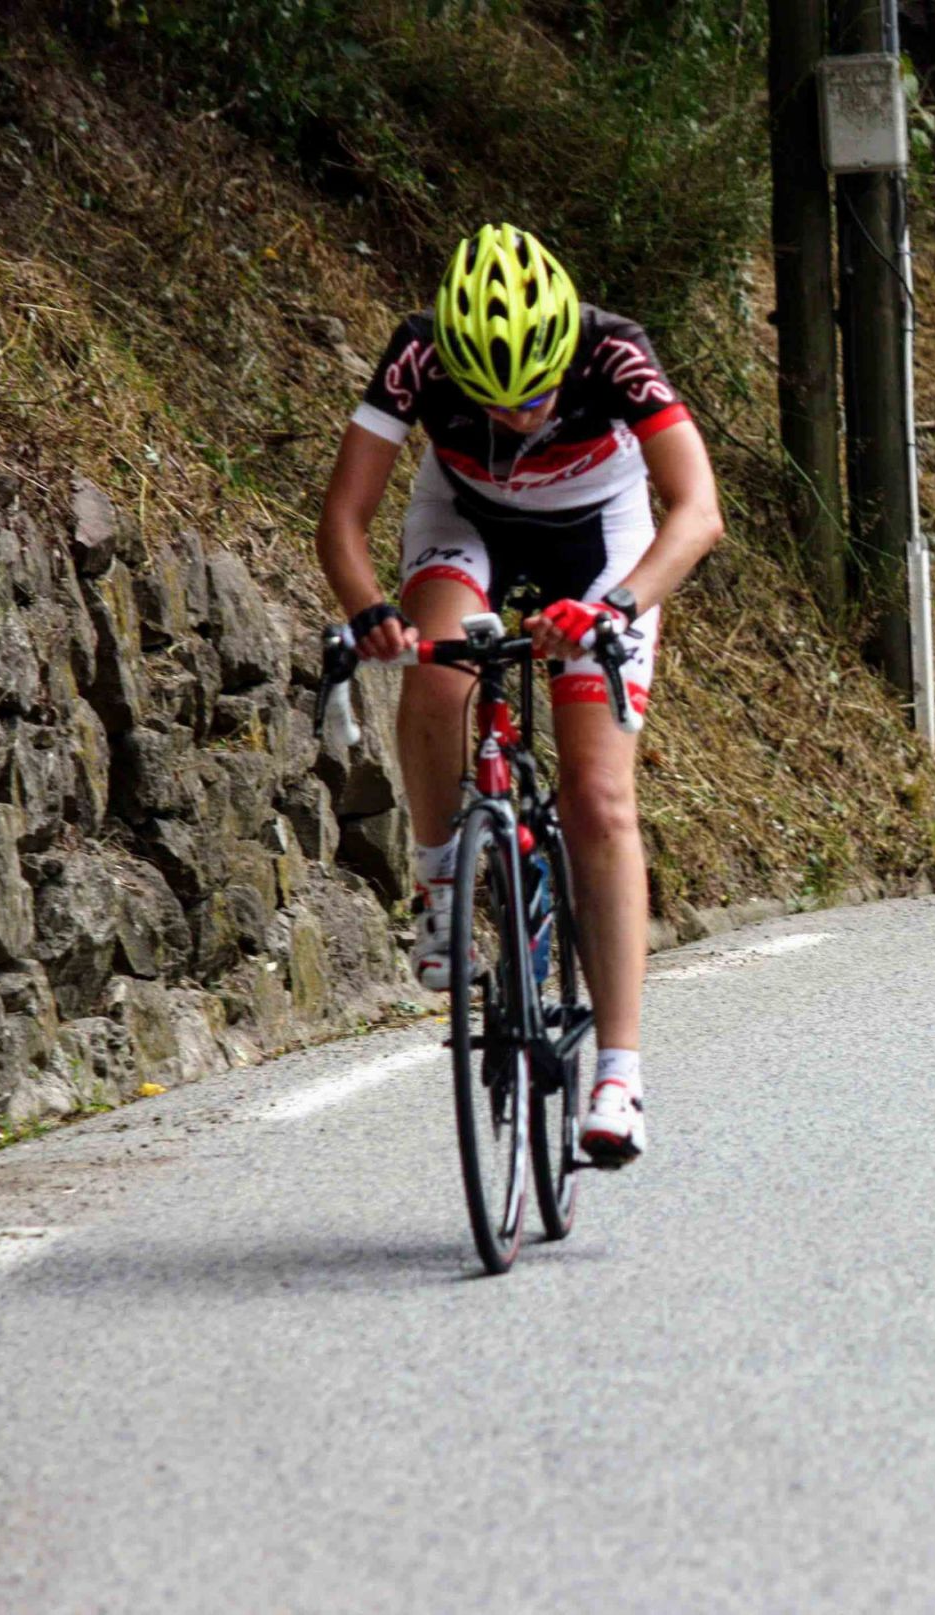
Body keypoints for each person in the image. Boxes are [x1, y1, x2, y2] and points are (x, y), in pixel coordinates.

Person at [314, 223, 722, 1164]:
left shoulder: (614, 351)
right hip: (467, 522)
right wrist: (371, 610)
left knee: (599, 797)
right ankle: (441, 884)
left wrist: (615, 607)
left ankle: (619, 1074)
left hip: (601, 539)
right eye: (491, 401)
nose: (516, 418)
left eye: (534, 396)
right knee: (436, 672)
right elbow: (343, 516)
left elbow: (697, 511)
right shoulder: (417, 354)